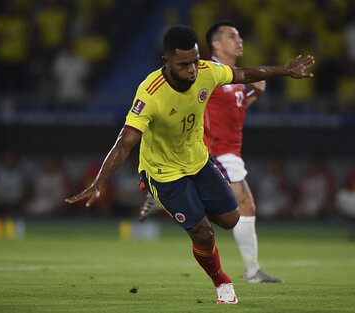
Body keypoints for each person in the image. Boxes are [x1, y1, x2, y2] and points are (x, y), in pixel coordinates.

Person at [65, 25, 314, 304]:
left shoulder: (206, 71)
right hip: (164, 173)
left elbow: (243, 74)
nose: (193, 70)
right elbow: (125, 142)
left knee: (231, 220)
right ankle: (222, 282)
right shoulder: (150, 92)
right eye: (184, 64)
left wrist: (285, 70)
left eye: (195, 61)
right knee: (203, 232)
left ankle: (185, 206)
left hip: (198, 160)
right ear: (167, 62)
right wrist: (98, 183)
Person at [140, 21, 282, 283]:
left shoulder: (231, 78)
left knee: (233, 214)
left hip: (229, 149)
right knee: (245, 205)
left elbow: (230, 115)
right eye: (232, 36)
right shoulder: (201, 72)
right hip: (213, 151)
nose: (239, 40)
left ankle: (165, 199)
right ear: (216, 43)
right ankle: (252, 271)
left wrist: (253, 97)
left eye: (239, 35)